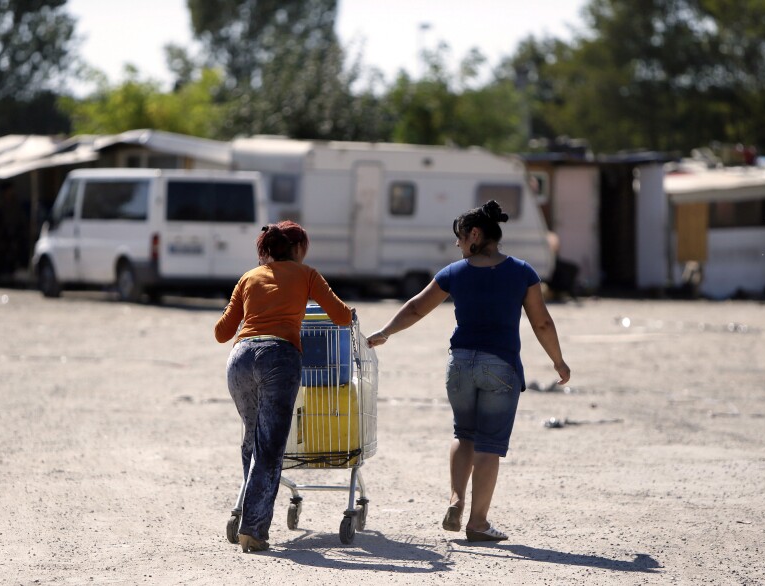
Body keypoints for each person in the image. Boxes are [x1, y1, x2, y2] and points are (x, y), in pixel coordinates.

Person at [367, 200, 570, 542]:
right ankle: (477, 522)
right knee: (490, 444)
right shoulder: (522, 272)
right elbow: (543, 323)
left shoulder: (454, 273)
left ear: (475, 234)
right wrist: (558, 361)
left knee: (464, 434)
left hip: (459, 365)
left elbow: (417, 307)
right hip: (500, 367)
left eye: (460, 238)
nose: (458, 245)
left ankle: (456, 500)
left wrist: (385, 331)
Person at [214, 221, 352, 553]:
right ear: (298, 248)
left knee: (251, 437)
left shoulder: (248, 277)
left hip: (240, 358)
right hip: (279, 358)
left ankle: (248, 514)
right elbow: (342, 317)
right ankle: (253, 530)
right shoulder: (307, 275)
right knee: (270, 447)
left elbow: (221, 332)